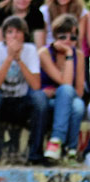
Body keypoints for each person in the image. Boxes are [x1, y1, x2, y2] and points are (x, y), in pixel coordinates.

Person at [0, 15, 48, 166]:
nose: (14, 35)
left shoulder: (31, 49)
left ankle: (35, 155)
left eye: (18, 32)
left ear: (24, 35)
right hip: (0, 101)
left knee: (40, 98)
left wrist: (19, 59)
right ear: (4, 36)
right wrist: (9, 58)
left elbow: (36, 85)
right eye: (10, 32)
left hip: (21, 101)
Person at [40, 14, 85, 162]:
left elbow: (78, 91)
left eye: (73, 38)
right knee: (70, 97)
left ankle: (62, 145)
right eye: (63, 36)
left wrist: (70, 55)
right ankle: (66, 147)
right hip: (48, 101)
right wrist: (69, 55)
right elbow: (65, 83)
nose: (68, 41)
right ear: (55, 36)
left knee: (77, 104)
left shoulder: (78, 55)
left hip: (69, 99)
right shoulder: (44, 53)